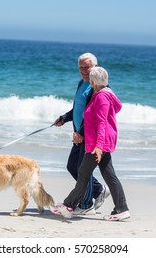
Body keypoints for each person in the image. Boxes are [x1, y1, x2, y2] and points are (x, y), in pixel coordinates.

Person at [52, 66, 130, 221]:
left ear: (94, 81)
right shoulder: (103, 94)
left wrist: (99, 146)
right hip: (100, 143)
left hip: (98, 144)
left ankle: (69, 206)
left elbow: (101, 123)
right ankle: (122, 209)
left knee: (83, 173)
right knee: (109, 175)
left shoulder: (101, 97)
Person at [53, 53, 110, 214]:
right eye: (81, 67)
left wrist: (82, 132)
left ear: (95, 66)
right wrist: (64, 118)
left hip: (88, 136)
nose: (84, 70)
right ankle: (98, 190)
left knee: (83, 171)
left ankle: (86, 204)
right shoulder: (81, 83)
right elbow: (78, 109)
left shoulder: (96, 86)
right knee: (72, 167)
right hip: (78, 135)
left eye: (87, 67)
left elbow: (94, 116)